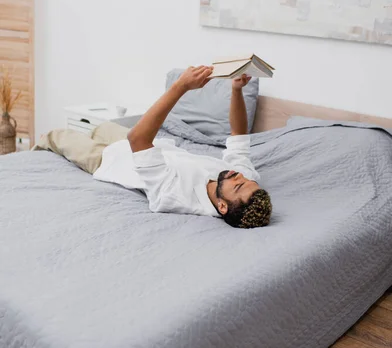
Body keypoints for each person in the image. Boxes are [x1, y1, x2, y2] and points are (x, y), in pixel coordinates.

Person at [94, 65, 272, 228]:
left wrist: (181, 86)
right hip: (153, 145)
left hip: (110, 160)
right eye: (248, 180)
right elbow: (238, 135)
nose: (239, 175)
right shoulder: (241, 181)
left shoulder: (175, 195)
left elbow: (136, 138)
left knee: (67, 136)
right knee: (101, 127)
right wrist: (237, 89)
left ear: (222, 206)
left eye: (238, 185)